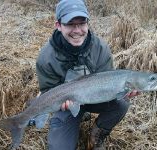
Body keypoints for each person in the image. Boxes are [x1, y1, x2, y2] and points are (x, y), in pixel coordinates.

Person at [35, 0, 139, 149]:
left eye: (82, 23)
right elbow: (47, 91)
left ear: (88, 23)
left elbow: (109, 81)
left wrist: (123, 91)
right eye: (70, 24)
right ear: (58, 25)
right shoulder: (46, 58)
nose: (77, 30)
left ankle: (97, 134)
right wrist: (62, 104)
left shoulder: (100, 48)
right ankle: (75, 117)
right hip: (67, 104)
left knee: (121, 103)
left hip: (96, 97)